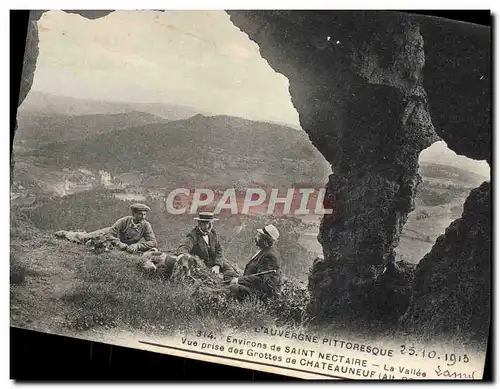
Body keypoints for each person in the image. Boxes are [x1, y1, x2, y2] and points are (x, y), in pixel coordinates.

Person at [55, 203, 157, 254]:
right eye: (140, 214)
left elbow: (153, 242)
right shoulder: (124, 221)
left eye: (144, 214)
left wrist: (137, 246)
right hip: (108, 235)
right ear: (134, 214)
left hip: (124, 246)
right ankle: (66, 234)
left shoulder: (146, 225)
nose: (143, 217)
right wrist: (118, 243)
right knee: (85, 238)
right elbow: (110, 235)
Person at [228, 224, 282, 301]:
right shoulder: (265, 250)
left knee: (234, 288)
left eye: (258, 236)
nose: (255, 238)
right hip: (254, 286)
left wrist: (238, 280)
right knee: (229, 274)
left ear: (265, 240)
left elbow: (262, 279)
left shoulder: (269, 256)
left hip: (262, 293)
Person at [177, 212, 236, 277]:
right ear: (199, 223)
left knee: (230, 271)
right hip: (202, 265)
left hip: (214, 262)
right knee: (214, 278)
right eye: (206, 223)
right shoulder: (193, 236)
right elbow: (184, 247)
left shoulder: (212, 233)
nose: (209, 226)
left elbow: (218, 250)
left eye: (211, 223)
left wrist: (217, 265)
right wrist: (185, 256)